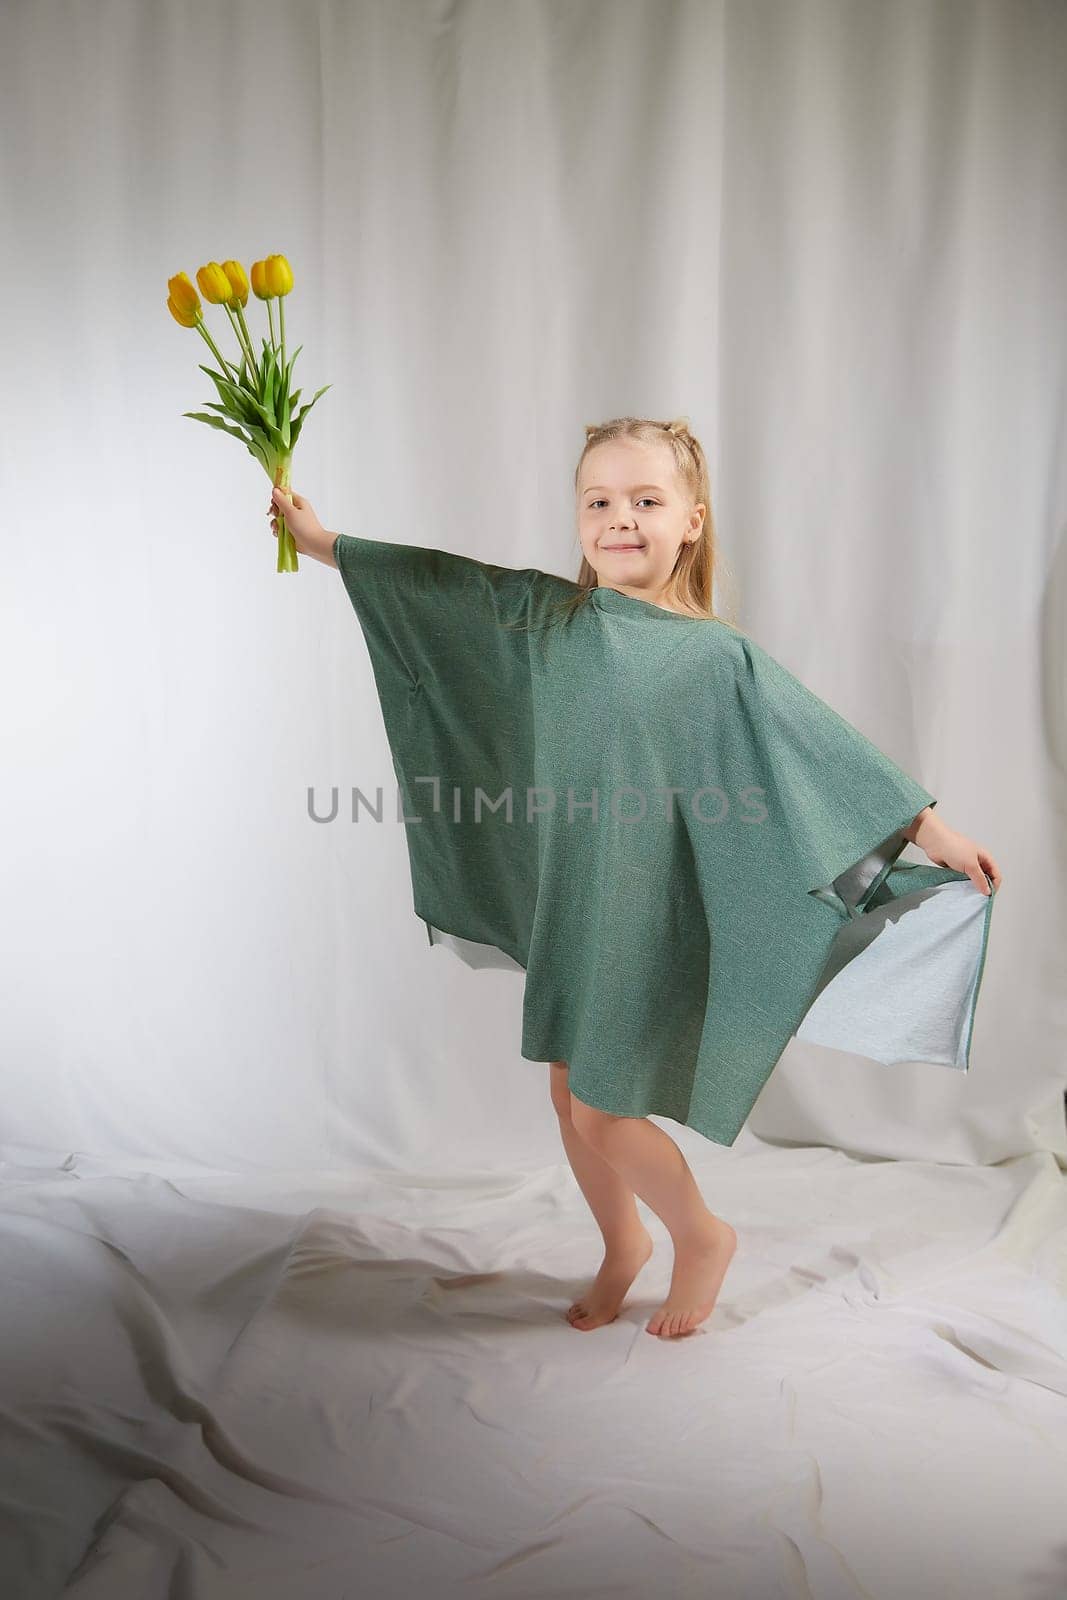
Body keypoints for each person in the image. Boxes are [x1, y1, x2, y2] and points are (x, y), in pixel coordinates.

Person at [267, 417, 1003, 1342]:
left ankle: (700, 1234)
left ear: (690, 521)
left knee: (602, 1108)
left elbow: (814, 741)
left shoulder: (713, 657)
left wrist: (931, 828)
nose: (621, 519)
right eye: (600, 501)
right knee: (565, 1085)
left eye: (645, 502)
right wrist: (325, 543)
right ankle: (623, 1245)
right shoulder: (543, 617)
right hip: (574, 887)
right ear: (579, 516)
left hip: (646, 901)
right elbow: (441, 584)